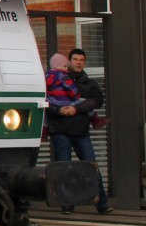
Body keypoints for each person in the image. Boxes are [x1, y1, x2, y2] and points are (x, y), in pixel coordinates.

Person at [45, 48, 112, 214]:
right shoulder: (57, 78)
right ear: (69, 61)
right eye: (75, 59)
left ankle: (102, 204)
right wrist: (59, 111)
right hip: (60, 130)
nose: (79, 62)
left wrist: (76, 108)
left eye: (81, 60)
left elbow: (97, 101)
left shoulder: (89, 83)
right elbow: (45, 100)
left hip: (81, 131)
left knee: (91, 166)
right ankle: (67, 205)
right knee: (63, 168)